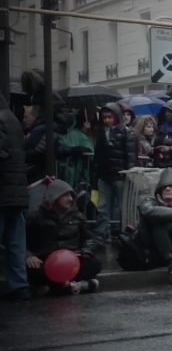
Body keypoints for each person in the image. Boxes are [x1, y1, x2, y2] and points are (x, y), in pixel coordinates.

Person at [25, 179, 101, 295]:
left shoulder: (77, 216)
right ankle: (77, 286)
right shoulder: (35, 216)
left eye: (71, 195)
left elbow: (90, 238)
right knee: (31, 270)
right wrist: (29, 255)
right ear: (54, 197)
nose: (70, 199)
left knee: (94, 264)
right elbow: (21, 240)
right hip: (46, 261)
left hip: (72, 259)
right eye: (65, 195)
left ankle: (58, 287)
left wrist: (86, 251)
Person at [92, 102, 137, 244]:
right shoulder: (101, 133)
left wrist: (129, 174)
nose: (107, 120)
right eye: (105, 117)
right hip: (105, 175)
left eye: (110, 117)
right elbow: (97, 157)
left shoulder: (127, 132)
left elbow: (131, 156)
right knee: (103, 206)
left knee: (121, 206)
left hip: (121, 175)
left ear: (116, 117)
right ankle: (102, 232)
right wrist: (95, 176)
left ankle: (121, 232)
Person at [1, 91, 30, 301]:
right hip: (17, 191)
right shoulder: (11, 118)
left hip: (3, 190)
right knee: (15, 242)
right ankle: (19, 285)